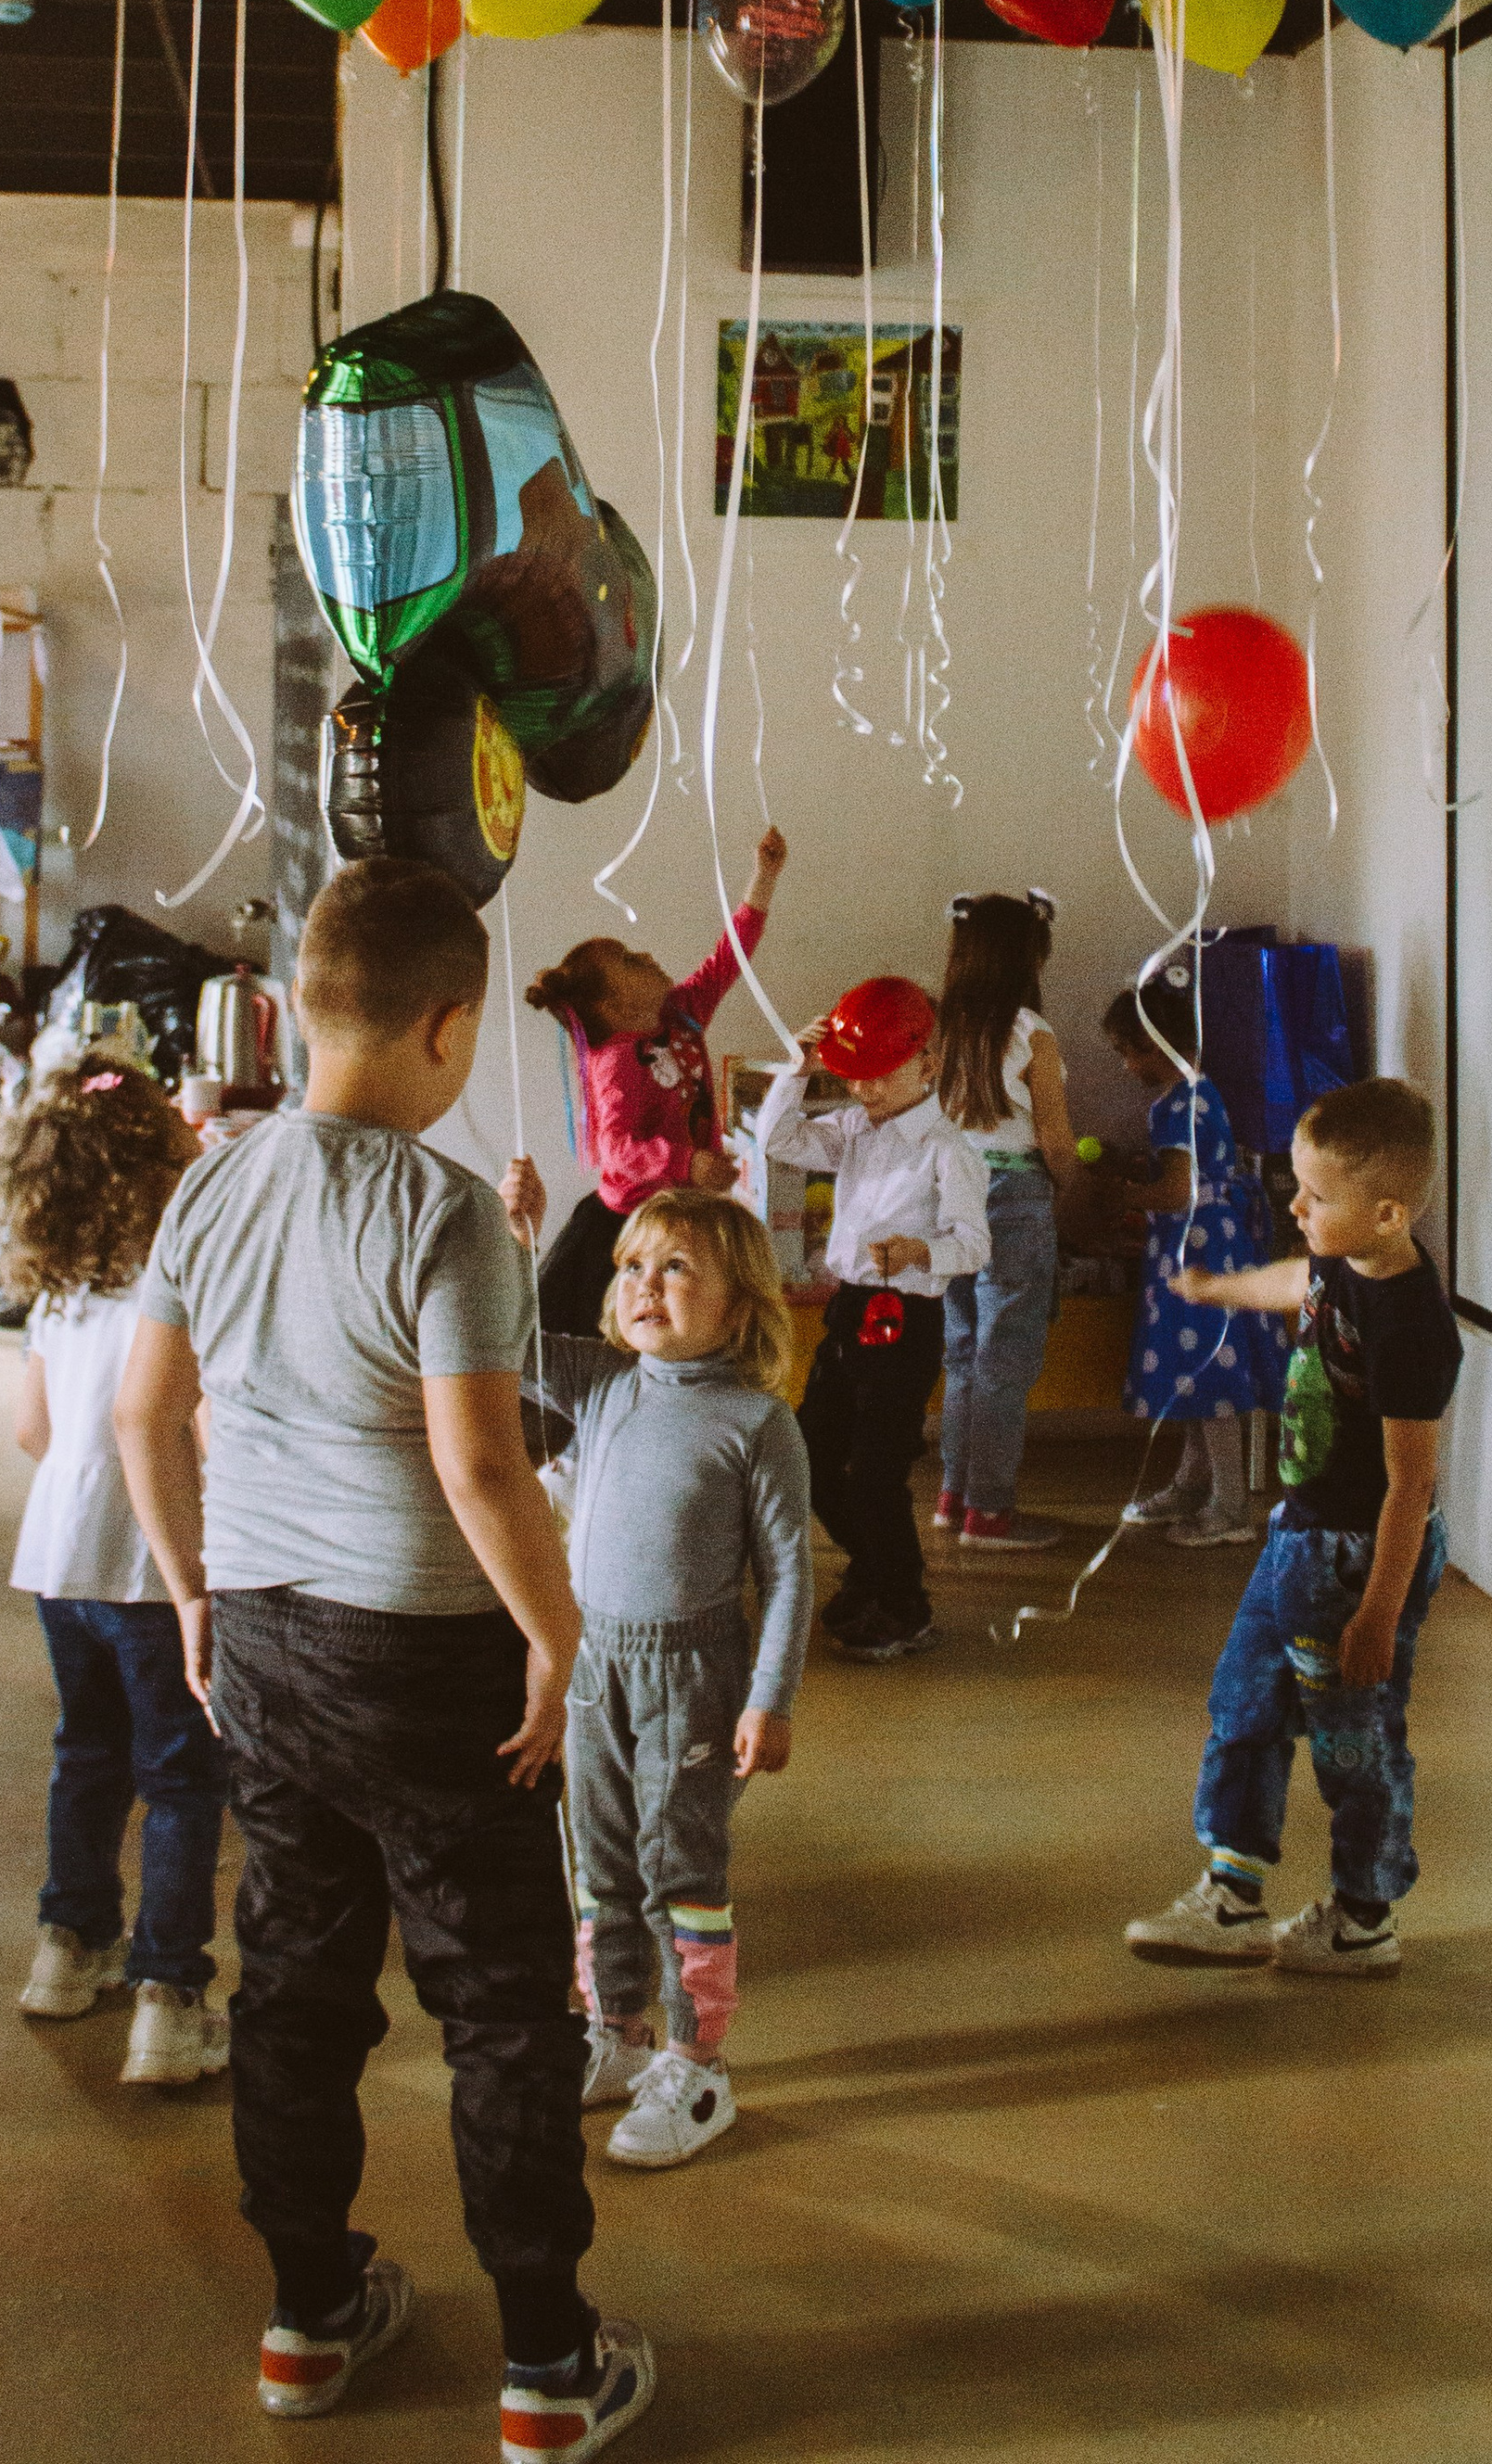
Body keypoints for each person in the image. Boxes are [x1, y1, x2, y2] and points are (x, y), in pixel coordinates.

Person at [113, 859, 652, 2456]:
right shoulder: (442, 1211)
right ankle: (548, 2368)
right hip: (425, 1654)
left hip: (267, 1640)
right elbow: (483, 1470)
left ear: (296, 1009)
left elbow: (144, 1410)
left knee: (290, 1983)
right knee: (498, 2007)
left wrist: (195, 1594)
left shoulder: (211, 1178)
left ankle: (308, 2318)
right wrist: (558, 1640)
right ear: (449, 1027)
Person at [501, 1177, 811, 2174]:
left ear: (738, 1303)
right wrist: (521, 1239)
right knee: (596, 1860)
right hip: (596, 1663)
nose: (645, 1284)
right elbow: (508, 1339)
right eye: (632, 1265)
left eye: (677, 1267)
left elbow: (790, 1571)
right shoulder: (599, 1384)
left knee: (681, 1862)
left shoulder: (757, 1422)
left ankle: (696, 2057)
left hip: (695, 1672)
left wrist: (769, 1695)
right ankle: (618, 2028)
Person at [1124, 1077, 1460, 1980]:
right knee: (1243, 1704)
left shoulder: (1409, 1326)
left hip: (1355, 1560)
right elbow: (1293, 1281)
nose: (1295, 1205)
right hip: (1296, 1540)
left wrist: (1379, 1614)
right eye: (1298, 1189)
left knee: (1355, 1741)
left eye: (1317, 1195)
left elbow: (1408, 1486)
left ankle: (1362, 1915)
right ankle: (1232, 1894)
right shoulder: (1343, 1263)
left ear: (1387, 1213)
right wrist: (1217, 1285)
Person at [0, 1057, 231, 2088]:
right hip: (152, 1562)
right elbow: (206, 1432)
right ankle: (169, 2000)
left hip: (60, 1556)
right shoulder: (174, 1286)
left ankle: (66, 1946)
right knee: (181, 1775)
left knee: (85, 1752)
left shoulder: (57, 1291)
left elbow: (32, 1430)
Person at [754, 977, 989, 1663]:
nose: (863, 1091)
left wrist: (925, 1250)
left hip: (908, 1317)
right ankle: (872, 1566)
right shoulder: (854, 1127)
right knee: (812, 1453)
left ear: (928, 1062)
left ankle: (905, 1604)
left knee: (877, 1469)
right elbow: (780, 1140)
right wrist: (796, 1074)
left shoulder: (950, 1148)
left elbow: (975, 1245)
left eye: (878, 1077)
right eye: (852, 1078)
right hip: (851, 1307)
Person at [521, 825, 789, 1339]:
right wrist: (687, 1161)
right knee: (617, 1338)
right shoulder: (614, 1062)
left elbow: (728, 958)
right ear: (610, 1006)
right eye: (627, 960)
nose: (644, 956)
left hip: (683, 1208)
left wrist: (764, 880)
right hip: (627, 1226)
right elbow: (615, 1149)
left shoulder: (681, 1014)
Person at [932, 889, 1080, 1552]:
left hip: (948, 1194)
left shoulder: (939, 1028)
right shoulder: (1029, 1031)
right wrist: (1073, 1190)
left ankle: (955, 1494)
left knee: (962, 1349)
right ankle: (990, 1512)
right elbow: (1055, 1141)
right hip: (1015, 1195)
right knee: (1005, 1358)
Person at [1104, 987, 1280, 1547]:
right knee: (1194, 1374)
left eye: (1132, 1052)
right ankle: (1191, 1480)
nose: (1128, 1066)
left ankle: (1230, 1506)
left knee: (1209, 1374)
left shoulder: (1181, 1105)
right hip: (1204, 1242)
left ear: (1159, 1045)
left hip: (1197, 1248)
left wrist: (1126, 1194)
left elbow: (1178, 1191)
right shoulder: (1197, 1095)